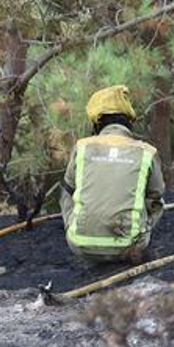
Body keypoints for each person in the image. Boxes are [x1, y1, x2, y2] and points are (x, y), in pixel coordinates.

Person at [61, 85, 165, 263]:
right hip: (130, 247)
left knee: (66, 189)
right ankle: (133, 235)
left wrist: (71, 222)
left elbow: (67, 193)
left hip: (80, 245)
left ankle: (79, 230)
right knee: (155, 200)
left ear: (97, 122)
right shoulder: (147, 152)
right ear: (129, 120)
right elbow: (155, 200)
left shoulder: (82, 147)